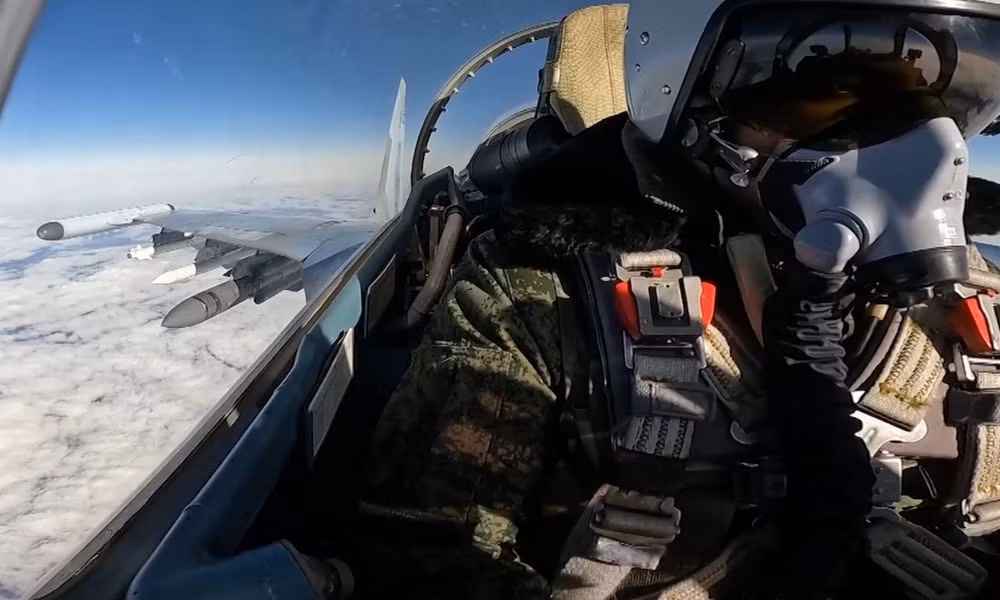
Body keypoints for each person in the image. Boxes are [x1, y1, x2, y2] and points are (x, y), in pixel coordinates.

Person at [350, 1, 1000, 598]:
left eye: (951, 99)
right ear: (694, 87)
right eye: (835, 87)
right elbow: (428, 558)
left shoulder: (977, 299)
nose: (932, 144)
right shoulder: (539, 289)